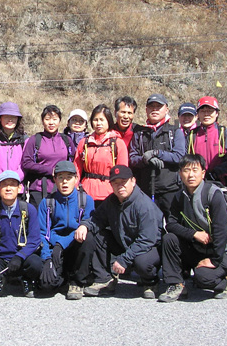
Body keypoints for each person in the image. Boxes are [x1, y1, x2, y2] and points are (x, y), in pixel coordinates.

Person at [73, 165, 163, 299]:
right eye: (115, 183)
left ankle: (150, 282)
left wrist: (124, 259)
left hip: (148, 248)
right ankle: (104, 279)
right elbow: (97, 219)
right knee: (95, 234)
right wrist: (84, 226)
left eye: (123, 182)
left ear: (133, 181)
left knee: (142, 263)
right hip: (123, 242)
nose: (120, 186)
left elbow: (147, 239)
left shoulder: (144, 205)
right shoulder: (111, 201)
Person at [159, 154, 227, 302]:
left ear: (203, 172)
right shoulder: (179, 196)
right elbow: (171, 224)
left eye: (195, 170)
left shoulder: (213, 194)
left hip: (220, 251)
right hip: (196, 245)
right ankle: (176, 284)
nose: (191, 175)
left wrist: (214, 260)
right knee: (169, 239)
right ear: (180, 173)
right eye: (186, 170)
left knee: (203, 279)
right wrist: (194, 234)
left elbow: (221, 231)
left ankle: (222, 281)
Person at [0, 170, 42, 298]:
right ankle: (0, 280)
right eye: (4, 185)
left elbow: (34, 239)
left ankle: (25, 279)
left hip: (22, 258)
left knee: (37, 265)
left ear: (19, 188)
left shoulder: (29, 209)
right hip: (0, 258)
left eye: (12, 185)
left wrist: (20, 256)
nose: (8, 188)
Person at [36, 161, 95, 300]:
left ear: (76, 178)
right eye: (60, 177)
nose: (65, 182)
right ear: (55, 180)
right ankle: (63, 278)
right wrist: (47, 258)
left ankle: (77, 282)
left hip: (74, 246)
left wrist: (61, 244)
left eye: (69, 177)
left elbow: (91, 222)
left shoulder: (86, 200)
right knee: (46, 286)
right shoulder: (47, 203)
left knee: (88, 237)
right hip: (54, 251)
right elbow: (41, 233)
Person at [128, 93, 186, 218]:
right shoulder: (139, 132)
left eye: (158, 106)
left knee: (173, 227)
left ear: (166, 109)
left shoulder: (175, 131)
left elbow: (179, 156)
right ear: (146, 110)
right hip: (145, 190)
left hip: (170, 190)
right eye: (151, 106)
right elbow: (132, 158)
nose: (154, 109)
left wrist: (157, 153)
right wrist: (145, 160)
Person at [74, 104, 128, 206]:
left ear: (109, 121)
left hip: (109, 193)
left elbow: (122, 170)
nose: (98, 123)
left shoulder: (117, 143)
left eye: (102, 120)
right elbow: (77, 167)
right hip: (86, 192)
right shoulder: (84, 142)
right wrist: (75, 186)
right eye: (95, 120)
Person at [21, 105, 75, 207]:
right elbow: (26, 163)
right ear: (42, 121)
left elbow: (73, 161)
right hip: (39, 189)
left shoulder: (66, 140)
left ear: (60, 121)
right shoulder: (35, 139)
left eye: (55, 119)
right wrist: (50, 170)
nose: (51, 123)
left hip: (62, 188)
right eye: (47, 119)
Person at [186, 96, 227, 188]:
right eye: (203, 111)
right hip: (197, 185)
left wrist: (215, 173)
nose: (206, 114)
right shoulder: (191, 135)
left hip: (222, 184)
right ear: (197, 114)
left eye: (210, 111)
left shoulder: (224, 133)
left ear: (217, 113)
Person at [0, 102, 29, 202]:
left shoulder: (25, 139)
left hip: (18, 189)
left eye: (13, 117)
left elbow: (26, 164)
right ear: (0, 118)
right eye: (6, 116)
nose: (10, 120)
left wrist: (14, 178)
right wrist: (2, 178)